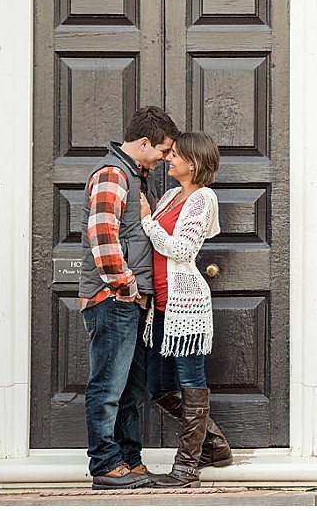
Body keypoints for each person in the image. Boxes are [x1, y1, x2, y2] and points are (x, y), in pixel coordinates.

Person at [79, 106, 179, 490]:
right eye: (164, 150)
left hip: (130, 301)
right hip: (113, 299)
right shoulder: (112, 175)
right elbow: (102, 236)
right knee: (107, 386)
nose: (167, 158)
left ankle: (130, 461)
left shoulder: (136, 177)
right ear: (143, 143)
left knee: (131, 389)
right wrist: (126, 286)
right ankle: (105, 464)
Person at [139, 131, 231, 489]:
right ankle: (215, 444)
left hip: (186, 304)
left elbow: (181, 250)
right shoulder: (172, 195)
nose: (168, 158)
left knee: (191, 381)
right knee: (159, 385)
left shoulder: (203, 199)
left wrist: (148, 221)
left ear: (192, 162)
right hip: (159, 306)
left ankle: (187, 465)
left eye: (174, 154)